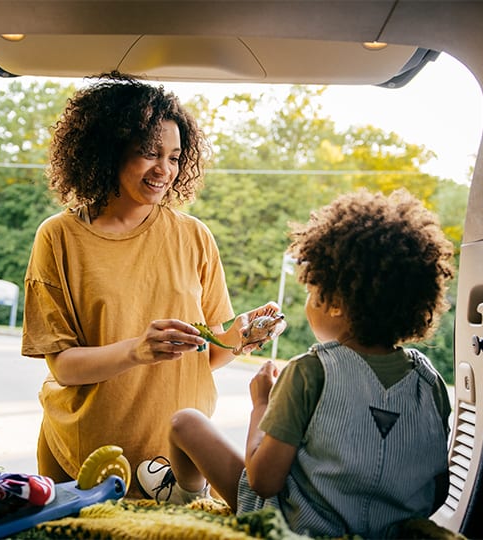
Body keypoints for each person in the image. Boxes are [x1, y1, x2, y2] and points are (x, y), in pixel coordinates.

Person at [21, 72, 285, 496]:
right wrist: (138, 350)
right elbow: (64, 366)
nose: (164, 169)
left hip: (177, 461)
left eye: (176, 157)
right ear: (109, 151)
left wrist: (242, 334)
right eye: (149, 153)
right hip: (85, 456)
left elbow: (206, 355)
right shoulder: (58, 237)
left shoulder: (194, 235)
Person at [136, 188, 455, 538]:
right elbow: (437, 491)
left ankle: (190, 500)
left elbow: (263, 481)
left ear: (333, 301)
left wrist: (262, 404)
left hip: (293, 529)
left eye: (311, 290)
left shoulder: (311, 371)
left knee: (185, 422)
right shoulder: (429, 380)